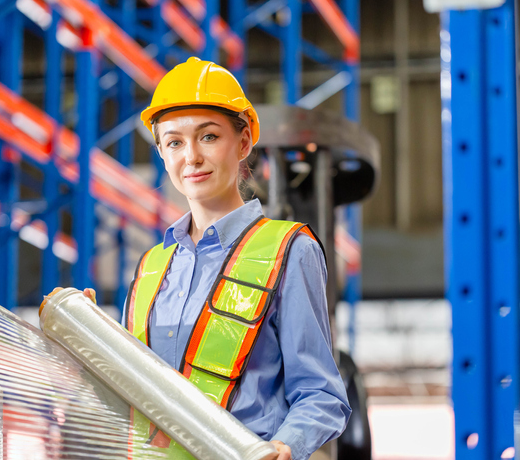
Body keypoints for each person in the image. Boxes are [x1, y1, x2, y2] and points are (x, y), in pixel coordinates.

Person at [45, 57, 350, 460]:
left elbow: (321, 393)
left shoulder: (289, 251)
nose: (191, 156)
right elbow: (131, 398)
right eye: (174, 142)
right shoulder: (152, 266)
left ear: (243, 143)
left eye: (208, 137)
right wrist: (91, 346)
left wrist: (284, 447)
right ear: (161, 152)